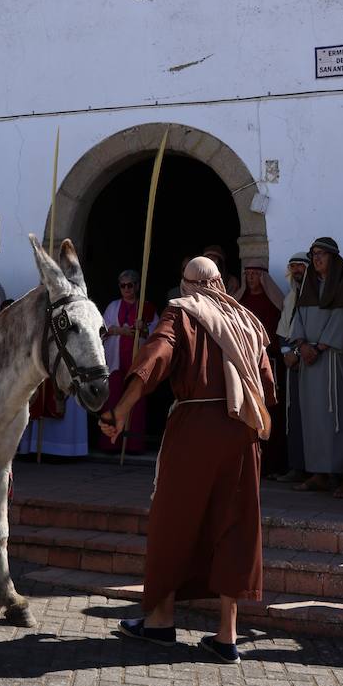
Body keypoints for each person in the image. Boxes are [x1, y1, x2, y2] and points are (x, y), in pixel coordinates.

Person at [99, 255, 274, 663]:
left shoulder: (181, 312)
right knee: (235, 526)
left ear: (186, 284)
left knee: (173, 521)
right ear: (220, 283)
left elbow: (155, 356)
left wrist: (121, 409)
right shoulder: (247, 321)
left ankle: (160, 620)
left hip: (194, 428)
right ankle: (227, 635)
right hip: (243, 433)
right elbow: (267, 384)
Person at [288, 237, 343, 497]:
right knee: (314, 419)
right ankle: (320, 474)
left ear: (333, 257)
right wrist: (302, 345)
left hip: (333, 362)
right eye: (314, 254)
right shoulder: (309, 285)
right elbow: (298, 318)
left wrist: (319, 348)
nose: (317, 258)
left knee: (342, 416)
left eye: (322, 254)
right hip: (310, 363)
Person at [236, 258, 287, 477]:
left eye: (255, 274)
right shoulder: (240, 301)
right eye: (248, 274)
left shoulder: (274, 302)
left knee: (270, 409)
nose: (251, 278)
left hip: (269, 363)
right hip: (245, 363)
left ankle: (272, 464)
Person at [98, 270, 158, 454]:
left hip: (136, 362)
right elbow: (102, 329)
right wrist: (119, 330)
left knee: (136, 402)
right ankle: (110, 444)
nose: (126, 289)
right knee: (113, 401)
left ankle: (134, 445)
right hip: (116, 361)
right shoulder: (113, 306)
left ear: (137, 286)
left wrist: (144, 328)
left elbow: (156, 333)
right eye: (122, 285)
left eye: (130, 285)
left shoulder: (146, 307)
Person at [274, 251, 309, 482]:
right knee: (294, 416)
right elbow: (283, 330)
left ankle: (316, 471)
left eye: (300, 266)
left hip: (311, 362)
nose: (296, 270)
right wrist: (287, 352)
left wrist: (296, 354)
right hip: (292, 364)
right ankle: (297, 467)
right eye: (293, 266)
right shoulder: (290, 298)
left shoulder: (316, 296)